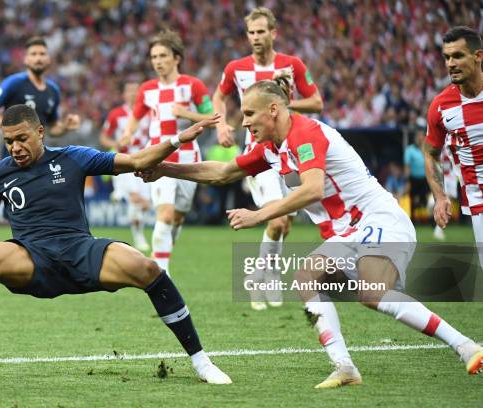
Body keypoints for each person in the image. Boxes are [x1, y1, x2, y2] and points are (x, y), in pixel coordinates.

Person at [138, 78, 483, 387]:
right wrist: (165, 168)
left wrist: (260, 214)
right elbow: (222, 172)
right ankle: (344, 367)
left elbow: (312, 189)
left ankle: (466, 345)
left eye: (249, 114)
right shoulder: (272, 147)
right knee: (307, 277)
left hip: (379, 219)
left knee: (372, 291)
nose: (243, 122)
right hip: (349, 232)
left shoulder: (305, 133)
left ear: (273, 110)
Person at [0, 105, 231, 386]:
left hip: (81, 251)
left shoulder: (74, 158)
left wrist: (176, 140)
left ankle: (202, 363)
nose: (14, 147)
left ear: (40, 132)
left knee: (148, 268)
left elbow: (137, 161)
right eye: (8, 141)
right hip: (32, 257)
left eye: (21, 138)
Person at [212, 7, 323, 310]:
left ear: (273, 33)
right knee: (278, 217)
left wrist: (283, 102)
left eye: (262, 31)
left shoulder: (292, 65)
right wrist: (222, 124)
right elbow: (218, 97)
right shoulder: (236, 68)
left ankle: (259, 276)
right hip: (258, 155)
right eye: (252, 32)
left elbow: (316, 102)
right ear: (247, 36)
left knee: (282, 225)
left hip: (290, 151)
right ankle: (268, 277)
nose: (256, 37)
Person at [120, 30, 214, 275]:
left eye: (162, 55)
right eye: (154, 57)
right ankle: (162, 275)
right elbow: (136, 117)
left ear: (176, 58)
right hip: (158, 158)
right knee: (165, 213)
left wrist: (187, 114)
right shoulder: (147, 89)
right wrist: (128, 133)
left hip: (188, 160)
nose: (157, 61)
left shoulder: (193, 85)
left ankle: (161, 254)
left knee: (177, 218)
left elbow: (212, 117)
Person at [423, 26, 483, 268]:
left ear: (478, 56)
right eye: (447, 57)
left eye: (458, 56)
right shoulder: (441, 106)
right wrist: (439, 196)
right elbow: (430, 153)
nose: (450, 64)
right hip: (479, 203)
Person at [0, 36, 80, 157]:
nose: (38, 58)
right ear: (26, 59)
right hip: (12, 158)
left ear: (48, 59)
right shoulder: (14, 82)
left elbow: (52, 128)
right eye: (33, 54)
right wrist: (11, 127)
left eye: (42, 54)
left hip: (37, 158)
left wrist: (65, 127)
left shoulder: (53, 90)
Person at [100, 81, 151, 252]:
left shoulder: (149, 112)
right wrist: (116, 143)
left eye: (136, 90)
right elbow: (104, 138)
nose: (133, 94)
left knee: (143, 205)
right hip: (125, 160)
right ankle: (139, 237)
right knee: (136, 199)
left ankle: (120, 193)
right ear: (124, 94)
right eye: (129, 90)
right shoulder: (116, 114)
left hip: (145, 160)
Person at [404, 128, 429, 222]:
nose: (419, 138)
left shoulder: (427, 148)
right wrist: (407, 180)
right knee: (413, 200)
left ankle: (430, 220)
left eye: (421, 136)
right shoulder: (409, 150)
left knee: (426, 200)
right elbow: (407, 166)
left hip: (426, 178)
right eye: (417, 136)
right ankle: (413, 221)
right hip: (413, 179)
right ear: (415, 137)